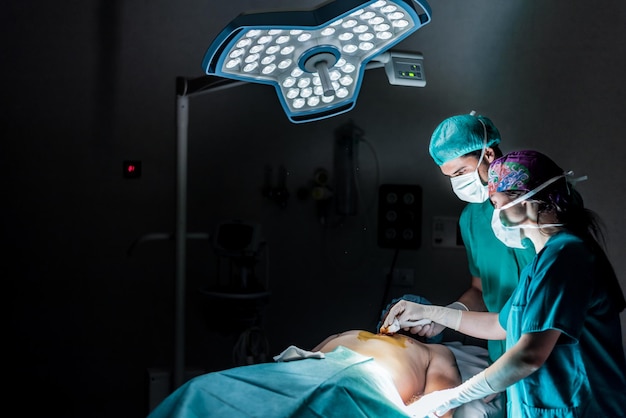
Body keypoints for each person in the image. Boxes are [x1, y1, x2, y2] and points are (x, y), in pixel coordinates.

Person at [380, 150, 626, 417]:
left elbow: (529, 355)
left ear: (526, 200)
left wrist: (453, 396)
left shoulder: (566, 256)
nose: (495, 215)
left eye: (496, 204)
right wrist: (431, 313)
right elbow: (502, 325)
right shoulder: (542, 262)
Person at [419, 111, 536, 363]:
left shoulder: (542, 203)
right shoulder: (470, 220)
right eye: (451, 177)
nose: (458, 183)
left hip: (561, 347)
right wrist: (449, 314)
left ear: (488, 154)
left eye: (461, 172)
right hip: (506, 350)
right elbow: (480, 289)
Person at [149, 330, 470, 418]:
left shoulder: (434, 351)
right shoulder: (352, 331)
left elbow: (441, 404)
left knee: (320, 395)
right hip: (309, 370)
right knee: (205, 390)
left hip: (356, 380)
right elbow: (301, 361)